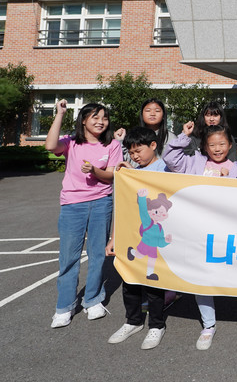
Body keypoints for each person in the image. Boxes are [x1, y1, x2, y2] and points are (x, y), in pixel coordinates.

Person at [162, 121, 237, 350]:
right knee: (201, 278)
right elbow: (170, 159)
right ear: (205, 147)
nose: (217, 149)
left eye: (222, 144)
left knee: (221, 274)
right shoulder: (195, 162)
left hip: (221, 233)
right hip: (195, 232)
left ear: (230, 145)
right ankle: (208, 325)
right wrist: (184, 136)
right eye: (212, 145)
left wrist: (226, 179)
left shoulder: (236, 170)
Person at [46, 100, 122, 329]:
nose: (101, 122)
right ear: (83, 121)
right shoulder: (71, 142)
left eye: (104, 118)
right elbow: (50, 146)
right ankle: (64, 307)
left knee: (97, 254)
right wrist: (60, 114)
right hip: (73, 204)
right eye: (95, 117)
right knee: (69, 257)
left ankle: (93, 300)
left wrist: (95, 171)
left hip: (101, 203)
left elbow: (112, 175)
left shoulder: (112, 145)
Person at [106, 127, 172, 349]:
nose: (135, 156)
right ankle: (133, 321)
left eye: (138, 151)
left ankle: (157, 325)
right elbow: (122, 207)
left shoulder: (166, 168)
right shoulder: (130, 173)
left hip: (155, 236)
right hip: (131, 234)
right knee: (129, 280)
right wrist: (114, 237)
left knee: (154, 283)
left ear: (153, 145)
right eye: (131, 152)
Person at [114, 98, 176, 164]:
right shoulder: (134, 135)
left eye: (157, 111)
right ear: (142, 114)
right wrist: (120, 141)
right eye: (148, 110)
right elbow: (127, 159)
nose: (152, 114)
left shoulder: (171, 138)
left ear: (163, 115)